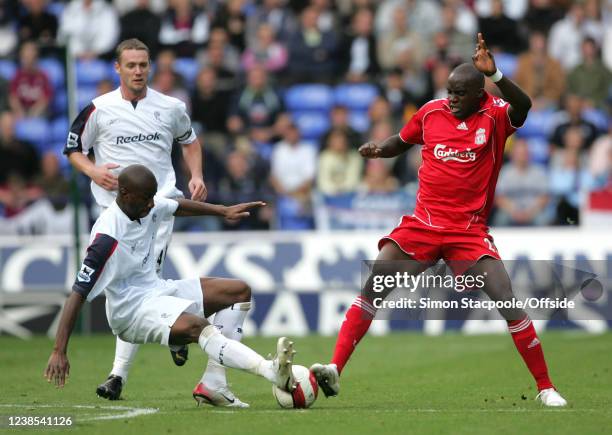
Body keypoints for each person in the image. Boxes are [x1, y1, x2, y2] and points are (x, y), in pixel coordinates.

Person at [310, 33, 568, 407]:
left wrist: (494, 73)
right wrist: (379, 149)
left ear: (479, 94)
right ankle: (335, 367)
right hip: (423, 225)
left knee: (507, 301)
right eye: (449, 91)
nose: (451, 99)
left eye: (459, 93)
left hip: (468, 231)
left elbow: (524, 105)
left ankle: (545, 387)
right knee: (374, 286)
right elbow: (402, 139)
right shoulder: (431, 112)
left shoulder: (494, 115)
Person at [44, 165, 297, 406]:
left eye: (152, 197)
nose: (152, 204)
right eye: (146, 198)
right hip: (131, 312)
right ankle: (271, 371)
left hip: (156, 290)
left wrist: (223, 211)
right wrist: (59, 350)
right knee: (199, 327)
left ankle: (214, 383)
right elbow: (77, 293)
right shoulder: (106, 238)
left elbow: (176, 206)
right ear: (124, 193)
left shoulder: (144, 204)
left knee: (239, 291)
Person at [62, 38, 209, 402]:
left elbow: (189, 141)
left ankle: (117, 376)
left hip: (157, 211)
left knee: (137, 290)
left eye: (143, 64)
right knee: (124, 291)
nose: (138, 71)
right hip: (115, 215)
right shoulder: (98, 109)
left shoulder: (171, 107)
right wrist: (94, 172)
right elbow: (72, 150)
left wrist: (197, 175)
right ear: (118, 68)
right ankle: (177, 328)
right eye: (131, 65)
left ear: (150, 66)